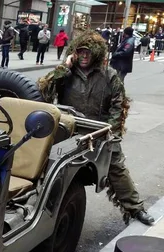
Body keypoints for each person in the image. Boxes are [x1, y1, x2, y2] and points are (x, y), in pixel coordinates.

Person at [38, 30, 154, 226]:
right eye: (80, 51)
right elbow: (44, 91)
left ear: (97, 54)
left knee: (116, 167)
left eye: (88, 52)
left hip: (99, 130)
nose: (84, 56)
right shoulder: (67, 73)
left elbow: (118, 105)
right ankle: (42, 208)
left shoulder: (109, 76)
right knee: (46, 163)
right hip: (70, 129)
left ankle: (135, 209)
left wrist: (111, 132)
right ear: (74, 52)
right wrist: (63, 68)